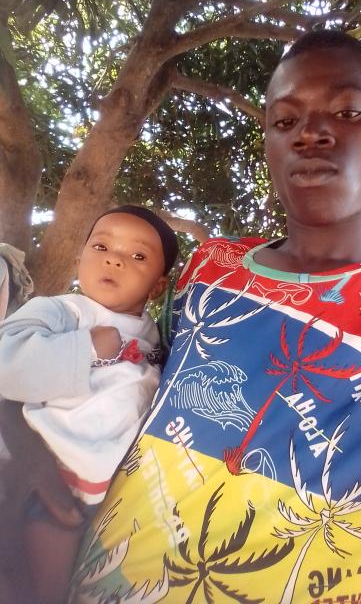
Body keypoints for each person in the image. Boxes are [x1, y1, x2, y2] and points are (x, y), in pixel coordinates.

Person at [29, 31, 361, 603]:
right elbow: (115, 376)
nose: (310, 133)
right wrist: (37, 456)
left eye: (347, 112)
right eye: (285, 120)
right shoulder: (209, 269)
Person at [0, 204, 179, 604]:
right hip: (28, 471)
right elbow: (5, 365)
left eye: (138, 255)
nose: (114, 258)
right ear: (79, 259)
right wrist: (86, 348)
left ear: (158, 288)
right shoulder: (61, 310)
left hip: (92, 501)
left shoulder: (159, 339)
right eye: (101, 246)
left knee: (48, 589)